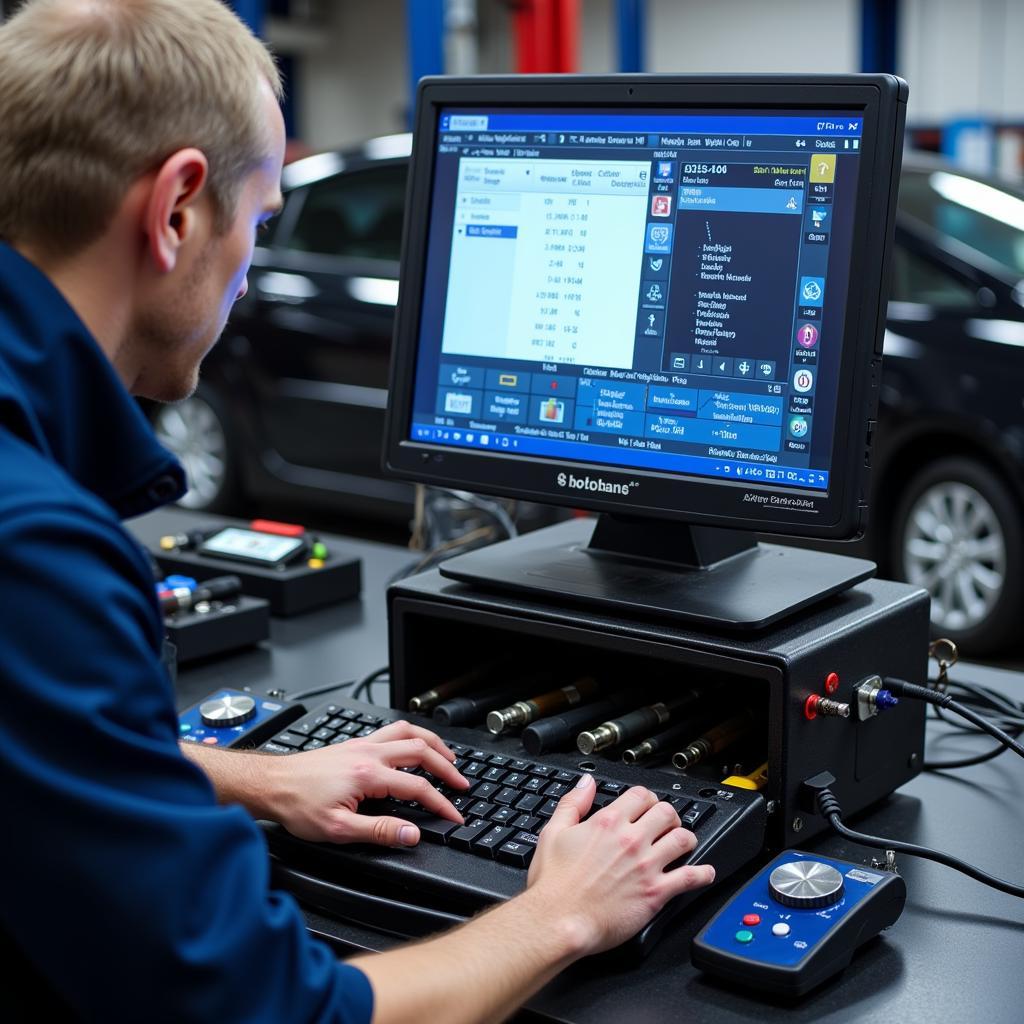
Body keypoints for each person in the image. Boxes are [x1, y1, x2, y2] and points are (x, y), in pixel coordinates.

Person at [0, 1, 716, 1021]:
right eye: (261, 221)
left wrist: (259, 779)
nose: (248, 270)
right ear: (176, 211)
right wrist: (561, 909)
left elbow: (38, 760)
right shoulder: (38, 555)